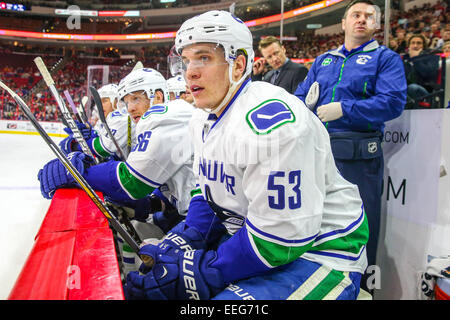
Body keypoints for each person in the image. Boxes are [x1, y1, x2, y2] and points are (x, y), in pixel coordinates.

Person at [124, 10, 369, 301]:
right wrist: (184, 239)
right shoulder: (201, 119)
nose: (190, 71)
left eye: (203, 57)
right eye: (185, 60)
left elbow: (280, 240)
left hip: (321, 253)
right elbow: (211, 194)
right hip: (259, 242)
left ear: (238, 65)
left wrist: (206, 270)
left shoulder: (273, 123)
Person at [295, 0, 407, 291]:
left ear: (377, 25)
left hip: (357, 157)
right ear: (343, 23)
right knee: (314, 224)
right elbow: (299, 97)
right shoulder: (323, 60)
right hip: (317, 151)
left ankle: (362, 291)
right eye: (355, 15)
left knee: (360, 227)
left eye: (369, 16)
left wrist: (346, 109)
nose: (361, 20)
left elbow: (393, 102)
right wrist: (304, 107)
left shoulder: (386, 59)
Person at [38, 68, 197, 271]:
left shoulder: (168, 117)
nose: (130, 108)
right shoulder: (158, 119)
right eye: (127, 101)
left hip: (198, 222)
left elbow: (132, 182)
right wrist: (152, 205)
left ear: (157, 96)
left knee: (145, 268)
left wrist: (79, 172)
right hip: (183, 214)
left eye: (136, 99)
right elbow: (174, 184)